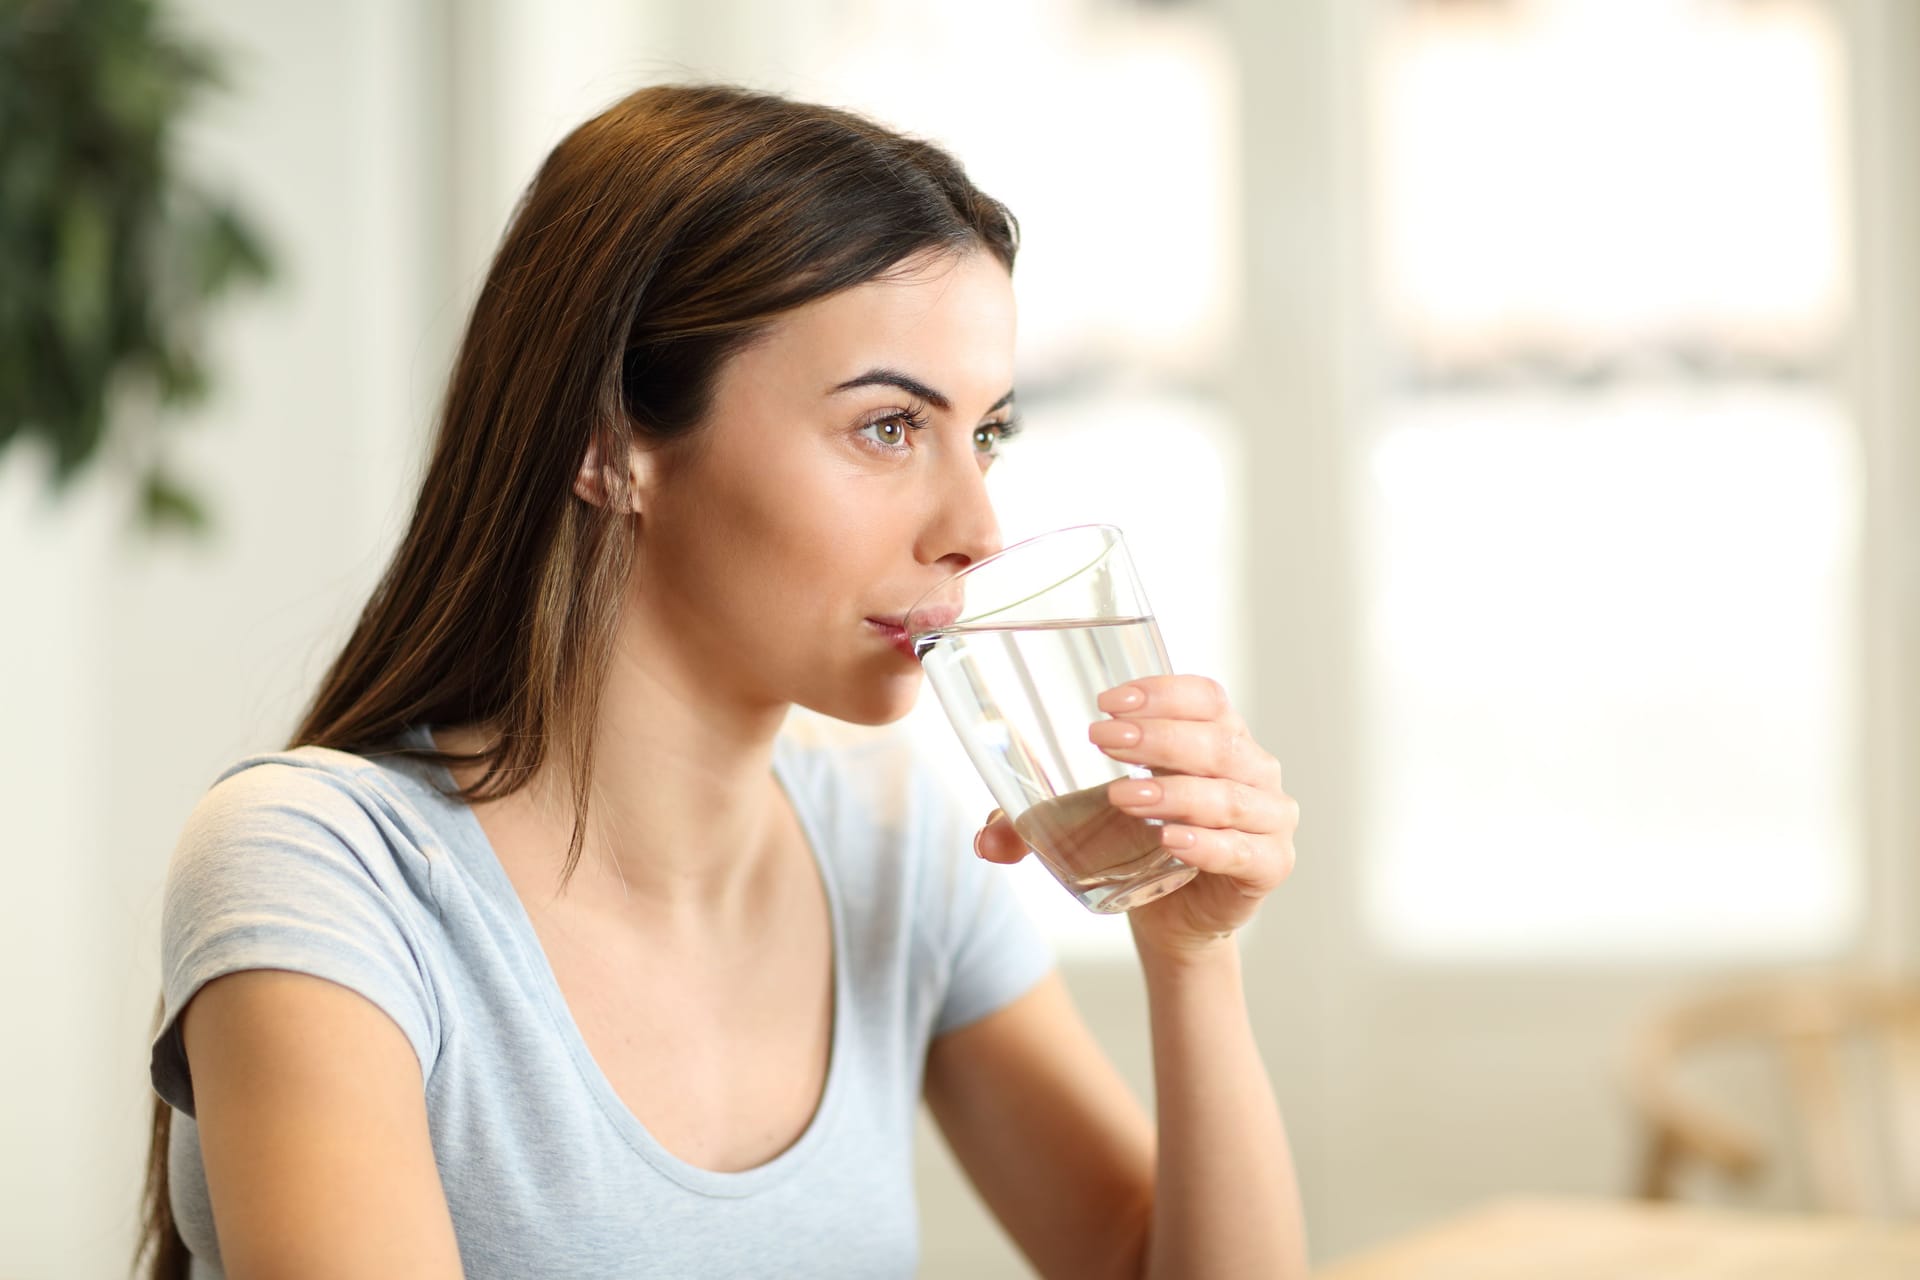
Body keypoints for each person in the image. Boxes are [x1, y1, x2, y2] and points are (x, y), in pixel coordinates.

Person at [135, 81, 1306, 1279]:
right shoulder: (331, 871)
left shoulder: (885, 840)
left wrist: (1189, 952)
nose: (977, 528)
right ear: (610, 444)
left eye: (986, 433)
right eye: (890, 427)